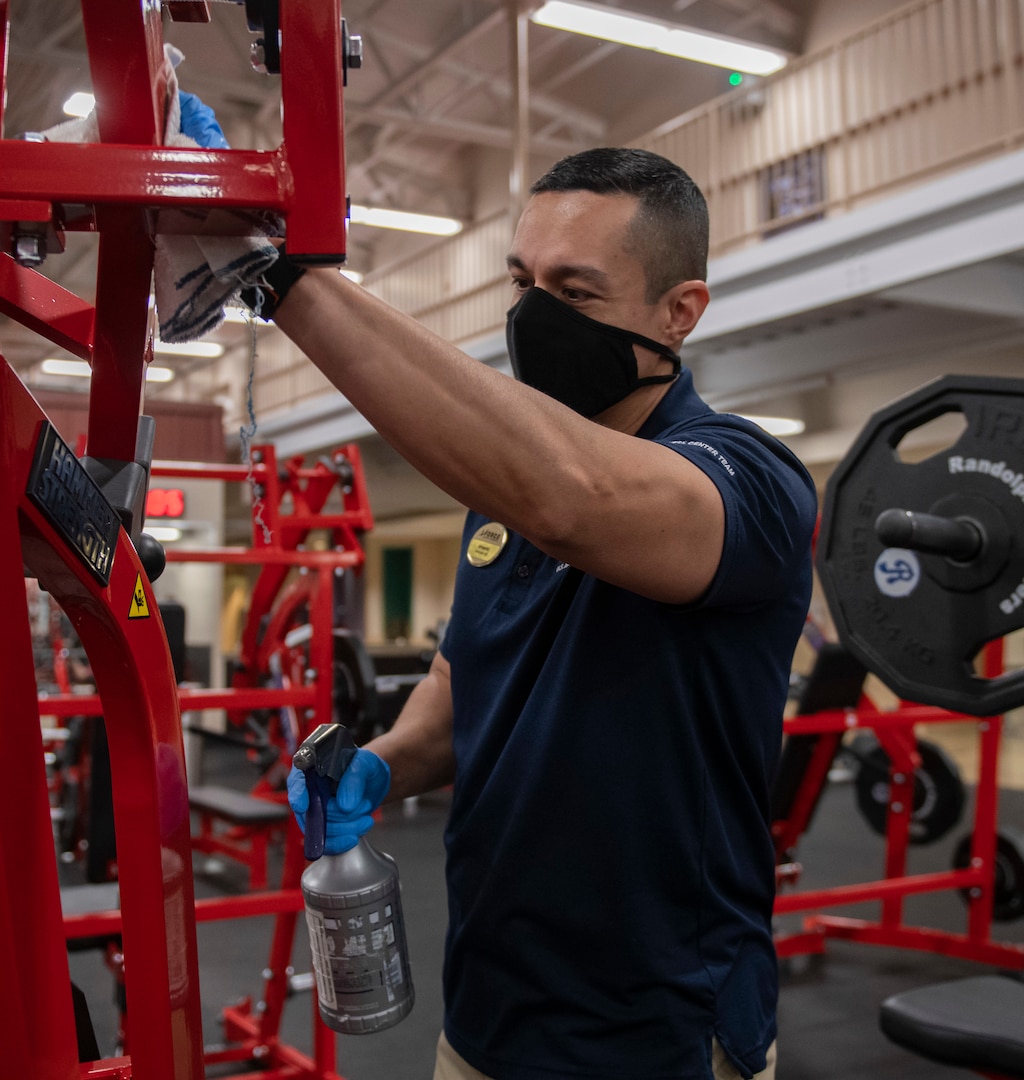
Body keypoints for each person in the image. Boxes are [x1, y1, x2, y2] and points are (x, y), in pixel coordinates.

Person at [268, 149, 816, 1080]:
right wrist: (383, 764)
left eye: (575, 289)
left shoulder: (752, 481)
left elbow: (577, 497)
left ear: (679, 312)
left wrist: (276, 273)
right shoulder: (505, 500)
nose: (532, 315)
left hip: (658, 1034)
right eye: (522, 281)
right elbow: (463, 679)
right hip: (486, 1016)